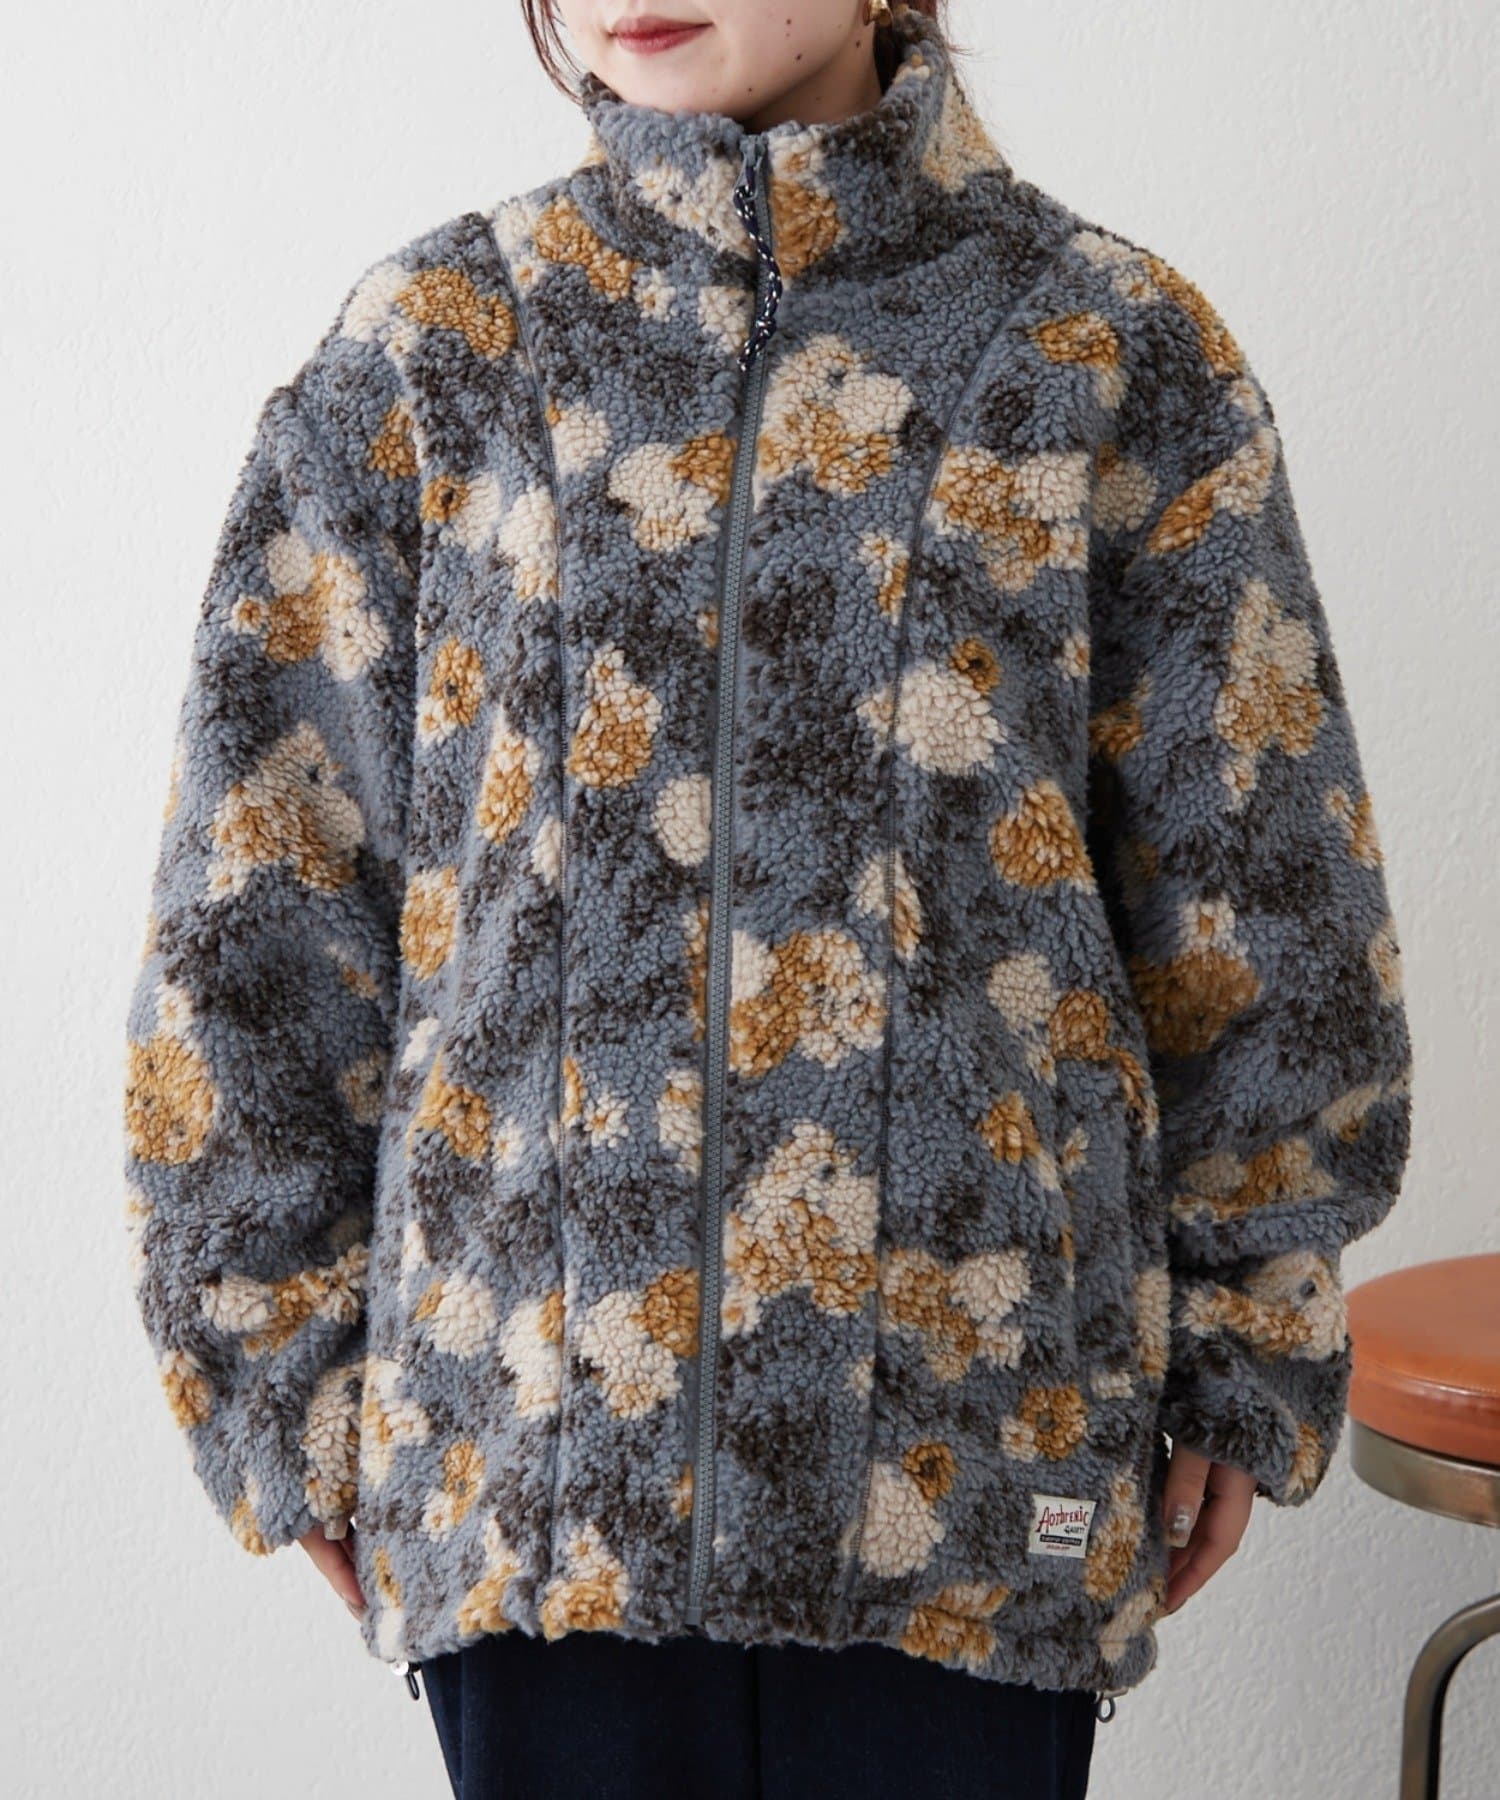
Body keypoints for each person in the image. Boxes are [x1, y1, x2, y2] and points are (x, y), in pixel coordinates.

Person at [120, 2, 1414, 1795]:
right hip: (538, 1485)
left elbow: (1263, 892)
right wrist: (277, 1368)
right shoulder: (435, 352)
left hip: (972, 1467)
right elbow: (260, 896)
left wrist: (1249, 1330)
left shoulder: (1109, 349)